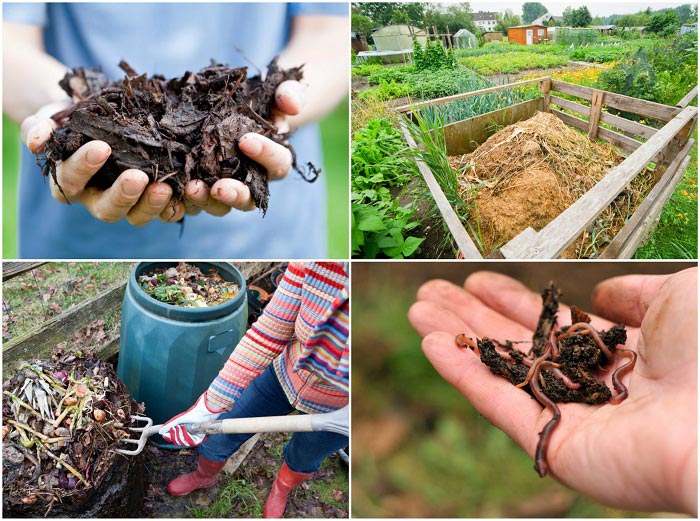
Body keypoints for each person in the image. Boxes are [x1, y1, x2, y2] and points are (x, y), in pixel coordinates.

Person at [3, 3, 347, 258]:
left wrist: (276, 104)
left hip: (270, 239)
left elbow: (328, 30)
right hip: (78, 239)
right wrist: (67, 107)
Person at [408, 268, 697, 517]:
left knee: (552, 404)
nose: (615, 393)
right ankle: (542, 455)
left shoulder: (601, 359)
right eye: (618, 392)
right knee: (551, 403)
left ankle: (542, 458)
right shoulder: (556, 360)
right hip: (550, 363)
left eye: (618, 392)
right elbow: (552, 365)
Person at [160, 262, 349, 518]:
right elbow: (269, 332)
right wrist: (210, 405)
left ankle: (281, 489)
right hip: (283, 376)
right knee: (221, 433)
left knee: (304, 458)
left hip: (342, 410)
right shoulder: (318, 261)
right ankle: (204, 477)